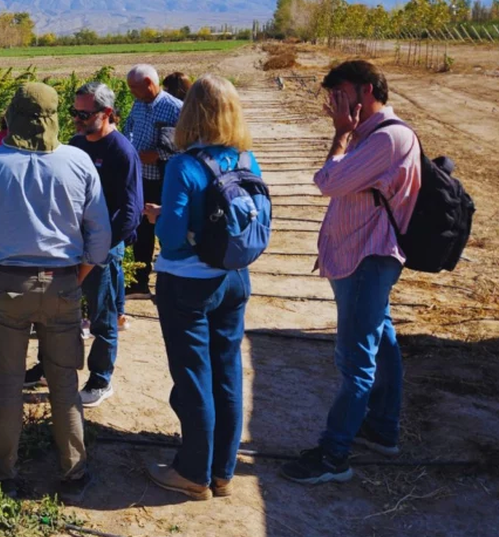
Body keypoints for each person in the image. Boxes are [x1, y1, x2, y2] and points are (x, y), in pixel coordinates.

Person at [0, 82, 111, 503]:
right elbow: (100, 236)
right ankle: (73, 471)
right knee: (64, 381)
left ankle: (4, 474)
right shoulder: (78, 161)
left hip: (6, 282)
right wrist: (76, 275)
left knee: (6, 382)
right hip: (63, 281)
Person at [281, 60, 420, 485]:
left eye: (339, 94)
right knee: (383, 340)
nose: (332, 102)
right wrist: (347, 132)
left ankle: (334, 454)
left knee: (355, 360)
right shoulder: (373, 137)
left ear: (365, 91)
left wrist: (341, 133)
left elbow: (328, 181)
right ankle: (381, 428)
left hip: (366, 260)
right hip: (362, 258)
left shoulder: (387, 139)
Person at [143, 74, 260, 501]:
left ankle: (193, 472)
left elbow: (172, 236)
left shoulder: (184, 165)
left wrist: (160, 218)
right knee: (227, 372)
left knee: (194, 376)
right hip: (234, 278)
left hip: (188, 284)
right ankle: (222, 472)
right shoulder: (248, 160)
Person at [22, 82, 142, 408]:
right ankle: (47, 367)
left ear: (105, 114)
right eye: (73, 112)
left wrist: (100, 248)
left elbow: (130, 213)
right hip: (68, 248)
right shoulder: (75, 146)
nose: (76, 118)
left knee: (103, 318)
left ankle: (101, 380)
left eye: (83, 113)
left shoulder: (121, 152)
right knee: (55, 313)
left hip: (102, 252)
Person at [123, 64, 183, 298]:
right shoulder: (138, 106)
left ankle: (172, 284)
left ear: (149, 83)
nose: (131, 92)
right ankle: (140, 282)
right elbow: (129, 130)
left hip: (166, 180)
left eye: (134, 87)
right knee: (142, 232)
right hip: (141, 179)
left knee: (169, 231)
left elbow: (185, 147)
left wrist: (158, 155)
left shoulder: (175, 109)